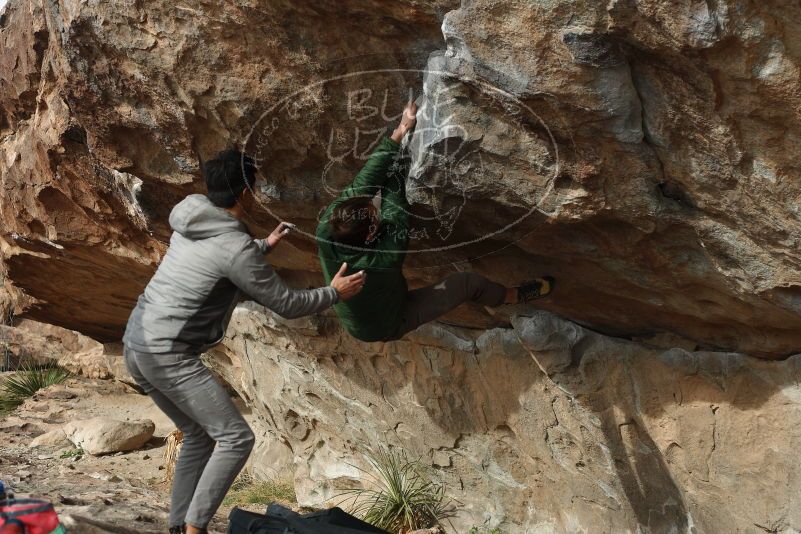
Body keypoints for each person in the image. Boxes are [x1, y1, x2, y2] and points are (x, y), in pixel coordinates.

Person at [122, 149, 365, 534]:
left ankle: (177, 527)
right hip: (167, 351)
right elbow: (286, 303)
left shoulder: (192, 214)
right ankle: (195, 528)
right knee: (236, 438)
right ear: (247, 192)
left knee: (200, 436)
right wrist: (334, 292)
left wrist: (264, 246)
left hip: (136, 342)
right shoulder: (235, 248)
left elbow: (215, 256)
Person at [316, 101, 553, 343]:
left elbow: (364, 182)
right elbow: (395, 206)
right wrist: (398, 165)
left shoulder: (330, 225)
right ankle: (511, 296)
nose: (373, 207)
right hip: (387, 323)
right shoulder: (385, 257)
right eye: (374, 218)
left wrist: (399, 132)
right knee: (467, 283)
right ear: (370, 236)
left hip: (366, 307)